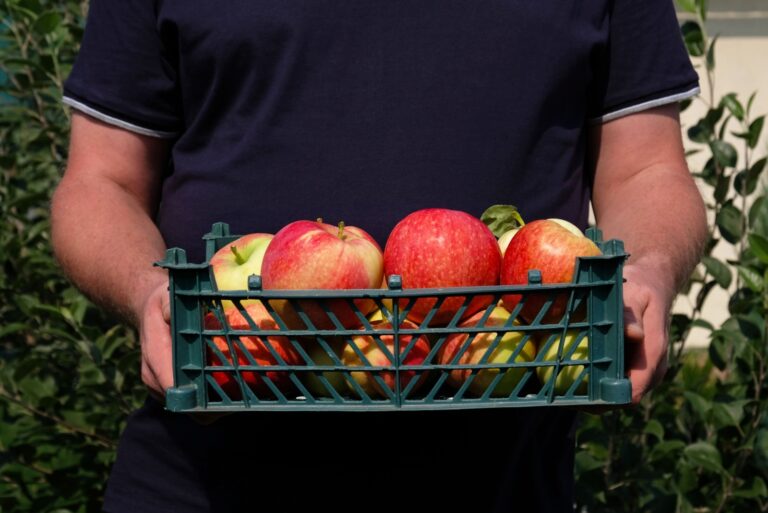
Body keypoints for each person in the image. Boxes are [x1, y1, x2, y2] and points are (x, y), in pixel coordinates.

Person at [51, 1, 707, 511]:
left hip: (504, 485)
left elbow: (647, 170)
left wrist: (647, 268)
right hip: (202, 483)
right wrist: (149, 291)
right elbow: (99, 183)